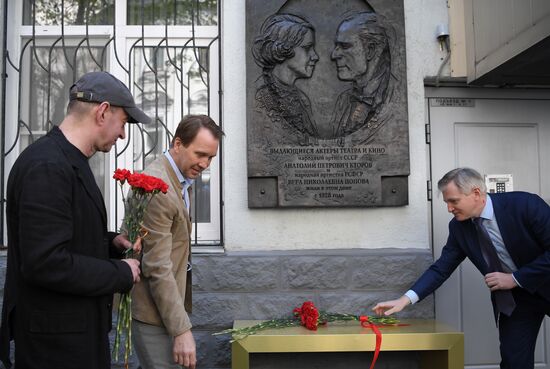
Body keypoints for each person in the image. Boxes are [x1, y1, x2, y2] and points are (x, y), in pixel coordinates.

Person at [0, 71, 148, 369]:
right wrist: (120, 272)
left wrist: (110, 243)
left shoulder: (67, 159)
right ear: (103, 112)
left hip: (72, 338)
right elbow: (45, 262)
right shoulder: (47, 166)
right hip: (57, 348)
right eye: (123, 122)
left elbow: (63, 234)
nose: (123, 134)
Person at [373, 167, 550, 369]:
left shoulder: (525, 204)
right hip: (515, 300)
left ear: (476, 193)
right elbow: (442, 268)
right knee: (514, 363)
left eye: (453, 201)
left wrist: (515, 278)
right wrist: (405, 299)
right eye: (447, 202)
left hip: (544, 281)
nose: (449, 208)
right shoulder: (458, 227)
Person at [131, 115, 224, 369]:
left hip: (165, 310)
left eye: (211, 158)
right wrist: (182, 330)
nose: (205, 164)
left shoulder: (181, 178)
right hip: (152, 313)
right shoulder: (158, 188)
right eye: (200, 154)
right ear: (177, 144)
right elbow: (156, 266)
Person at [252, 13, 320, 145]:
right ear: (283, 49)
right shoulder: (261, 96)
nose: (315, 56)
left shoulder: (301, 98)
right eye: (307, 48)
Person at [330, 11, 394, 140]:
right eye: (336, 46)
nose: (334, 55)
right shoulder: (343, 101)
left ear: (370, 50)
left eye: (345, 46)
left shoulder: (393, 94)